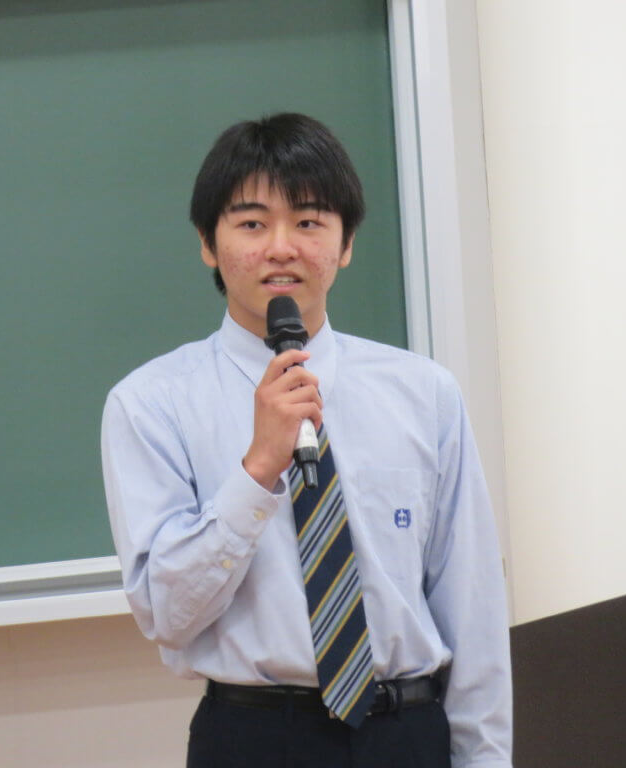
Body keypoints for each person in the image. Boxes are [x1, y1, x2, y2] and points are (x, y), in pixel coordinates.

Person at [101, 113, 513, 767]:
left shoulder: (424, 392)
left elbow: (472, 605)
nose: (281, 247)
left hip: (407, 731)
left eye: (309, 222)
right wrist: (258, 469)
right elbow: (167, 615)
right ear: (208, 243)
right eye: (252, 224)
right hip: (255, 736)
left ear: (345, 244)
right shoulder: (151, 403)